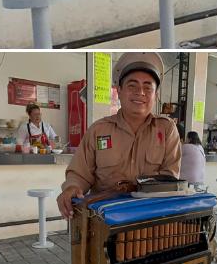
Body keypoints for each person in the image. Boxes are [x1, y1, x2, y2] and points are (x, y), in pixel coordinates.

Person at [56, 52, 182, 219]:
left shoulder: (167, 129)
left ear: (155, 95)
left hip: (151, 220)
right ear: (119, 91)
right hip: (104, 220)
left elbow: (170, 178)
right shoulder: (98, 130)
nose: (140, 92)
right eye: (132, 85)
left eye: (147, 87)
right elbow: (79, 174)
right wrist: (71, 187)